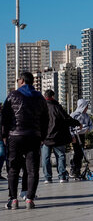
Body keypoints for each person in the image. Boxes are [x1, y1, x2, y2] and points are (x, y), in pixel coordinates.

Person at [1, 72, 49, 209]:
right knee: (32, 169)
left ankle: (13, 199)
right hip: (34, 136)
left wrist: (4, 135)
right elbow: (45, 119)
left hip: (15, 136)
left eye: (18, 80)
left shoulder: (12, 95)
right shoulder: (40, 97)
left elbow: (5, 117)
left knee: (13, 168)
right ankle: (29, 199)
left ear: (21, 80)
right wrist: (42, 136)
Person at [42, 90, 82, 183]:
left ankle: (47, 178)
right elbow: (67, 119)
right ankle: (62, 177)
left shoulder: (41, 108)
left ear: (45, 97)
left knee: (45, 158)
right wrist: (77, 123)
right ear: (53, 96)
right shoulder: (57, 107)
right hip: (58, 137)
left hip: (45, 138)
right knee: (60, 156)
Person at [70, 99, 93, 179]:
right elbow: (70, 127)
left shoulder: (86, 116)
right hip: (76, 136)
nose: (87, 108)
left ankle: (78, 170)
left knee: (81, 153)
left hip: (82, 136)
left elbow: (91, 125)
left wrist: (87, 129)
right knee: (77, 152)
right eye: (86, 106)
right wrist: (72, 136)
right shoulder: (74, 115)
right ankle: (74, 168)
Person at [0, 103, 6, 180]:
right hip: (1, 138)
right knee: (2, 155)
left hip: (1, 138)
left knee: (2, 155)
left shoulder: (2, 115)